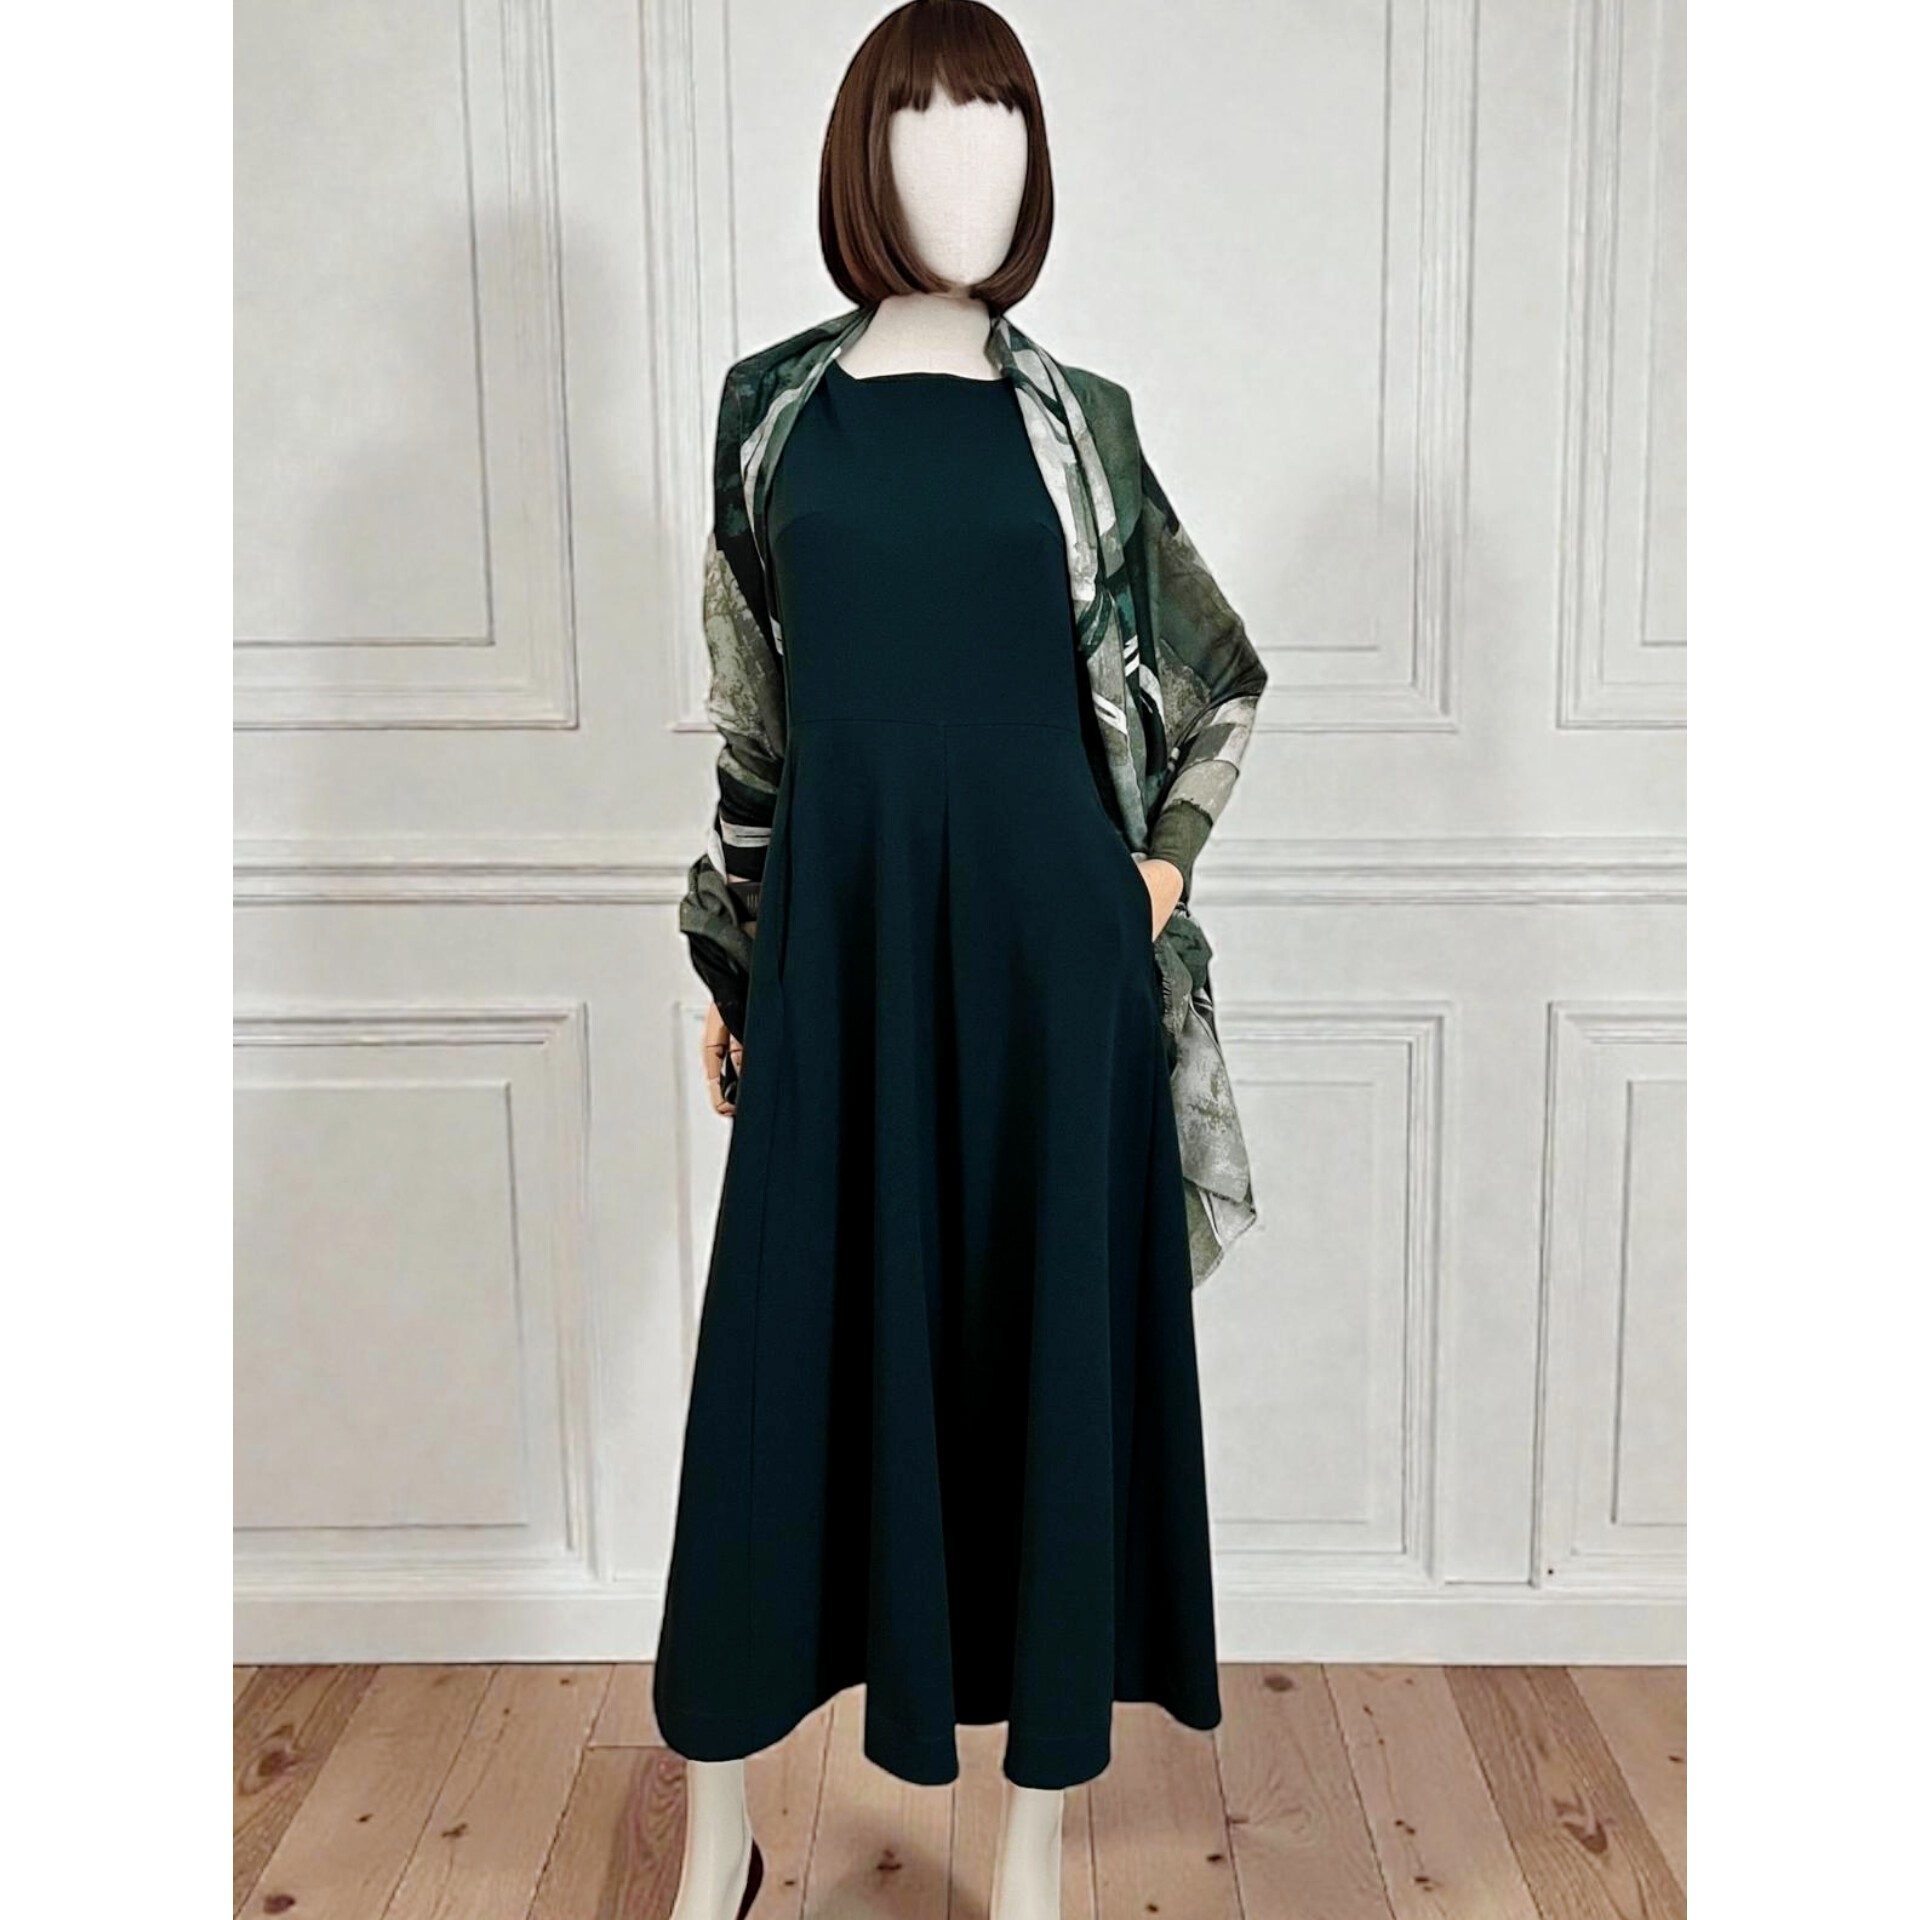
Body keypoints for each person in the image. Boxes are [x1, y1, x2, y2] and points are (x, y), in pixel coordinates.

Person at [656, 7, 1269, 1917]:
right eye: (930, 131)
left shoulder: (1084, 426)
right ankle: (716, 1838)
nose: (971, 172)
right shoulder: (772, 412)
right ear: (865, 155)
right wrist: (734, 967)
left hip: (1044, 983)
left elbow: (1215, 676)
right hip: (838, 968)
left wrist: (1150, 877)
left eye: (1002, 131)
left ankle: (1026, 1853)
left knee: (1036, 1380)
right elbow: (754, 726)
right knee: (775, 1389)